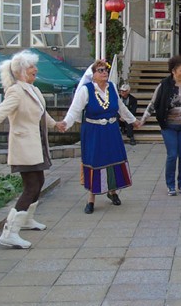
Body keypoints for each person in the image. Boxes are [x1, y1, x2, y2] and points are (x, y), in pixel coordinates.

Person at [0, 51, 57, 249]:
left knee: (39, 181)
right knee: (31, 186)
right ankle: (10, 232)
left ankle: (27, 220)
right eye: (32, 67)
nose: (36, 70)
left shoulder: (33, 89)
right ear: (21, 71)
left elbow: (42, 114)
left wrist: (57, 125)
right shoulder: (16, 91)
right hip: (23, 146)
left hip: (36, 145)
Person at [57, 60, 140, 213]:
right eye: (100, 70)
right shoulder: (86, 90)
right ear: (93, 75)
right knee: (95, 162)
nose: (104, 73)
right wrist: (65, 123)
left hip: (112, 130)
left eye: (106, 70)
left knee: (113, 159)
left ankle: (112, 191)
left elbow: (121, 108)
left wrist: (133, 121)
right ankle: (91, 199)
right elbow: (75, 110)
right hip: (94, 132)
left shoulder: (113, 88)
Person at [142, 56, 181, 196]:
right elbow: (153, 104)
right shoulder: (164, 85)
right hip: (169, 126)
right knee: (172, 155)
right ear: (173, 71)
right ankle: (170, 185)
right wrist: (143, 120)